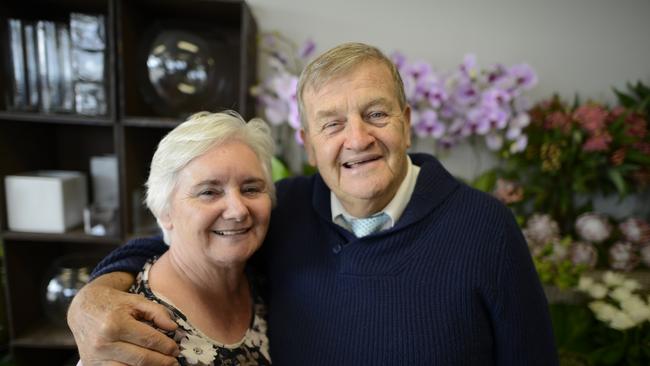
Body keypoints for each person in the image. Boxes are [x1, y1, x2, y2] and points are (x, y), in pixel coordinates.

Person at [68, 42, 559, 365]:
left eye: (376, 114)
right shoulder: (286, 211)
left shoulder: (486, 228)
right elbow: (187, 237)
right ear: (307, 143)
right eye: (332, 123)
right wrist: (92, 297)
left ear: (406, 123)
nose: (358, 138)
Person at [73, 111, 274, 365]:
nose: (238, 210)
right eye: (209, 192)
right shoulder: (129, 330)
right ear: (165, 212)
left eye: (251, 189)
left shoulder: (261, 278)